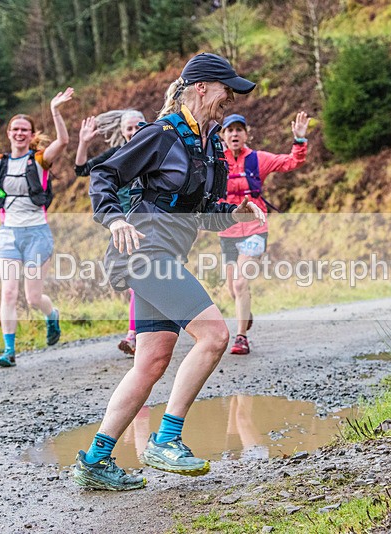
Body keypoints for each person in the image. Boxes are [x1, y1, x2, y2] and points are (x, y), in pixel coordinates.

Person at [72, 53, 263, 491]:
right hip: (141, 253)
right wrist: (115, 219)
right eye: (225, 90)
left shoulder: (211, 145)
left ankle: (96, 461)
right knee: (215, 336)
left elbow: (199, 213)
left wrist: (233, 212)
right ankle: (166, 439)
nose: (229, 99)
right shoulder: (161, 135)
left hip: (165, 257)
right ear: (200, 88)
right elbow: (103, 173)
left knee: (152, 362)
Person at [0, 88, 74, 367]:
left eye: (24, 130)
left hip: (37, 235)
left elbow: (64, 141)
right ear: (9, 133)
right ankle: (9, 351)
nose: (19, 133)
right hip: (8, 235)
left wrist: (55, 110)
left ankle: (51, 314)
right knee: (8, 292)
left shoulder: (41, 159)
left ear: (31, 135)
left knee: (33, 298)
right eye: (15, 129)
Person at [219, 111, 310, 355]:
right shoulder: (216, 161)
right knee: (232, 289)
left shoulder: (258, 159)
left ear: (247, 134)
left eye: (239, 129)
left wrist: (299, 141)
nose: (235, 134)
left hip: (255, 230)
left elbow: (292, 162)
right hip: (227, 232)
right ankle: (244, 313)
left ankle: (241, 338)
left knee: (240, 283)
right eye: (230, 130)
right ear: (223, 135)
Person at [75, 109, 146, 356]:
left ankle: (135, 335)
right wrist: (84, 142)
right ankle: (142, 332)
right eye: (129, 128)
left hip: (150, 224)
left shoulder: (155, 152)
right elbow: (83, 170)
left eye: (139, 126)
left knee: (139, 280)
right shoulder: (116, 155)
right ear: (122, 132)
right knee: (135, 282)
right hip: (122, 226)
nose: (134, 132)